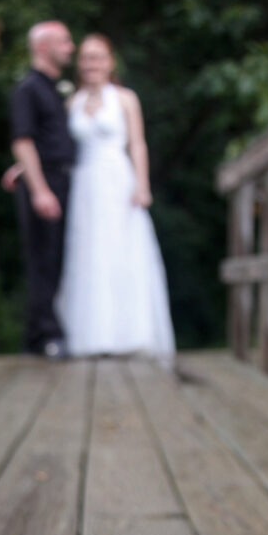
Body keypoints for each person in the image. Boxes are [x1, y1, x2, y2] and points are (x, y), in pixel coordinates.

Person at [56, 34, 175, 361]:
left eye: (98, 57)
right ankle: (91, 336)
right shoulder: (72, 103)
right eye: (86, 58)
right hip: (85, 185)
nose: (91, 64)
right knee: (88, 254)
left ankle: (129, 334)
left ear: (110, 62)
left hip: (117, 181)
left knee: (122, 251)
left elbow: (137, 143)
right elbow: (60, 150)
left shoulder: (125, 99)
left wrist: (142, 184)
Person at [9, 21, 75, 358]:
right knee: (43, 260)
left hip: (59, 179)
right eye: (64, 42)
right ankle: (46, 336)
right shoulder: (28, 89)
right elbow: (22, 141)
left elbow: (44, 141)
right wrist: (39, 190)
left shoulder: (54, 88)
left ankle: (36, 337)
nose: (71, 48)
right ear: (43, 46)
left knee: (55, 260)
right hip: (45, 184)